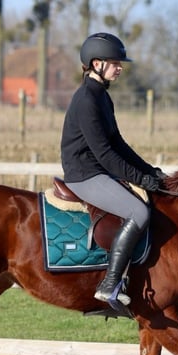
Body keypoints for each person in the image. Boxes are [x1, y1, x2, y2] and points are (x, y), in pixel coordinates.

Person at [60, 32, 166, 314]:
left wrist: (149, 170)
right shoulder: (86, 100)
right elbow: (105, 155)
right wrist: (140, 179)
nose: (120, 67)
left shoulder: (102, 97)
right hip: (84, 174)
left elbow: (118, 144)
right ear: (97, 64)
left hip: (96, 170)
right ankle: (110, 284)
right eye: (115, 62)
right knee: (139, 212)